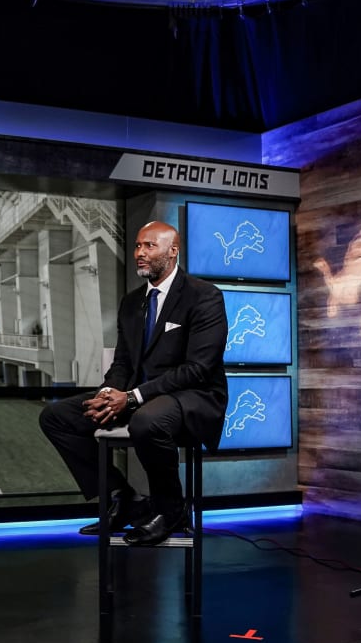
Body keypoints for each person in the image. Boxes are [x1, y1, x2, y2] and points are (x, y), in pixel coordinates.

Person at [39, 221, 228, 546]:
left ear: (173, 251)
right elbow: (124, 363)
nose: (139, 253)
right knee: (57, 417)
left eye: (149, 246)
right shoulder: (132, 303)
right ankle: (122, 497)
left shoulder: (204, 296)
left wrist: (132, 397)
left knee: (147, 420)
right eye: (138, 246)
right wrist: (108, 393)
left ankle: (171, 511)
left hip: (192, 397)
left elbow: (197, 369)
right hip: (140, 398)